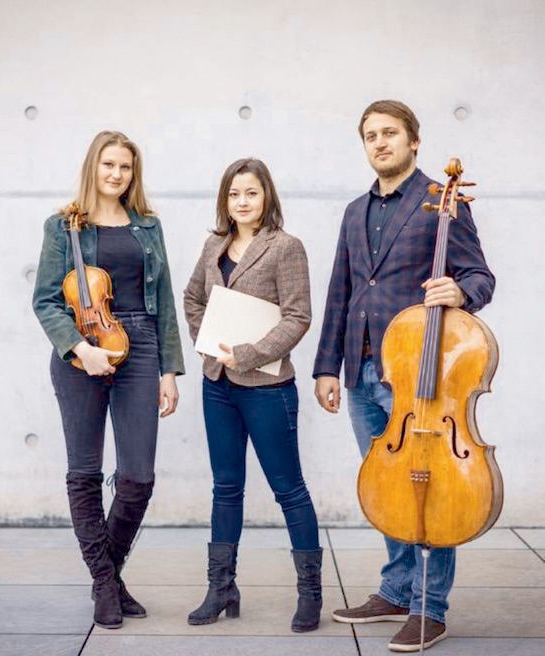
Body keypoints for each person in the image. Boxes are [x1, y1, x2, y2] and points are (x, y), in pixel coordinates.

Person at [313, 100, 495, 652]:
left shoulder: (442, 203)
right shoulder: (353, 211)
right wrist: (327, 367)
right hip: (363, 367)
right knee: (389, 486)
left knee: (434, 492)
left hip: (422, 380)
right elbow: (340, 292)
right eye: (370, 135)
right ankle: (395, 590)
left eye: (389, 133)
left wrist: (460, 291)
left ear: (414, 141)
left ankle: (428, 607)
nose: (380, 142)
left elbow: (479, 275)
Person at [32, 130, 185, 629]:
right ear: (92, 167)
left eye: (125, 167)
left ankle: (107, 574)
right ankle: (105, 583)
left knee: (138, 477)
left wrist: (168, 370)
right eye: (109, 165)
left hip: (139, 346)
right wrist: (81, 349)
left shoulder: (148, 226)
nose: (117, 174)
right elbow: (47, 301)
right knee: (85, 473)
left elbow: (162, 302)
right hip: (80, 352)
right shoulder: (63, 226)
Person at [183, 157, 322, 633]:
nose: (242, 202)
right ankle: (221, 588)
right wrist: (211, 341)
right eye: (234, 194)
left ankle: (310, 593)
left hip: (267, 388)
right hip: (217, 386)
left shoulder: (286, 247)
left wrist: (245, 353)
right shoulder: (212, 245)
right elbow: (193, 298)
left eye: (252, 193)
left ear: (267, 197)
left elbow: (298, 317)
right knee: (226, 488)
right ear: (225, 200)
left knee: (289, 489)